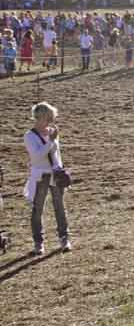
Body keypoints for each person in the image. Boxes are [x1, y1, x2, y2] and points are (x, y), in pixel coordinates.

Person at [24, 102, 71, 255]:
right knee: (38, 210)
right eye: (48, 117)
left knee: (60, 208)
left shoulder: (52, 132)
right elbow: (37, 157)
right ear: (38, 117)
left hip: (55, 175)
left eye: (52, 117)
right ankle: (39, 243)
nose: (50, 121)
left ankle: (64, 238)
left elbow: (56, 154)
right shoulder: (30, 136)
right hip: (40, 176)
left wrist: (60, 170)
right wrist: (50, 141)